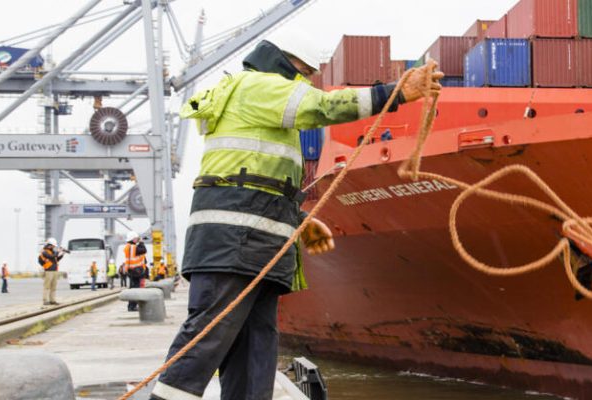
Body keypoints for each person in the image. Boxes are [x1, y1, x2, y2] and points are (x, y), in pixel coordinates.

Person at [150, 31, 443, 400]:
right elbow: (323, 108)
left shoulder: (256, 104)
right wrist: (396, 92)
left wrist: (300, 219)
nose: (305, 81)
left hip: (253, 244)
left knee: (256, 347)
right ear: (287, 64)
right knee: (208, 338)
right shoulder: (259, 86)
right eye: (303, 73)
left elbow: (256, 177)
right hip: (233, 243)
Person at [123, 231, 147, 311]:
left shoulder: (128, 246)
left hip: (131, 270)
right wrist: (141, 242)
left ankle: (131, 306)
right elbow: (143, 250)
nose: (137, 240)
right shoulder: (133, 247)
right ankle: (132, 306)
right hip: (135, 270)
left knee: (133, 288)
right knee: (135, 288)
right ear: (133, 239)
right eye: (136, 239)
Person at [38, 238, 65, 306]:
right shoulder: (44, 252)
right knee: (47, 287)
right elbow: (51, 256)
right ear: (49, 245)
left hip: (55, 270)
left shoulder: (53, 251)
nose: (54, 247)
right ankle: (45, 300)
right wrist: (58, 251)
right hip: (48, 271)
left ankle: (52, 300)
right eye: (53, 245)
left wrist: (62, 254)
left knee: (53, 287)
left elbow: (56, 259)